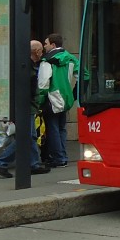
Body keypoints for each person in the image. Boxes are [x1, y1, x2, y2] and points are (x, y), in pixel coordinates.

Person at [0, 40, 49, 177]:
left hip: (27, 106)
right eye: (41, 50)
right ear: (36, 52)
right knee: (25, 137)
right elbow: (27, 90)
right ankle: (1, 162)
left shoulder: (24, 64)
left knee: (31, 136)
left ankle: (33, 163)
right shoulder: (26, 66)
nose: (42, 53)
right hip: (26, 107)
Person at [38, 33, 79, 169]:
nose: (44, 46)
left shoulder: (47, 60)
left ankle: (58, 158)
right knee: (61, 128)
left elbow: (43, 84)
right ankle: (63, 157)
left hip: (52, 99)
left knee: (53, 128)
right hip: (66, 99)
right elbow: (84, 76)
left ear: (53, 45)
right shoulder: (71, 58)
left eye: (46, 43)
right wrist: (74, 92)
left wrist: (39, 100)